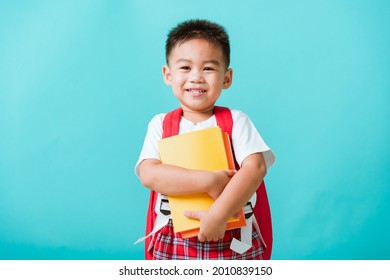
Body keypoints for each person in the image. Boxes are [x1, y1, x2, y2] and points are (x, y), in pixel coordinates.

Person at [135, 19, 275, 259]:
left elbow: (255, 168)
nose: (196, 77)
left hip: (232, 235)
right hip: (174, 236)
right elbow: (149, 174)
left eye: (208, 68)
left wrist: (218, 214)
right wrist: (208, 181)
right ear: (168, 75)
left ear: (226, 78)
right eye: (186, 68)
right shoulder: (161, 124)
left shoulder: (236, 121)